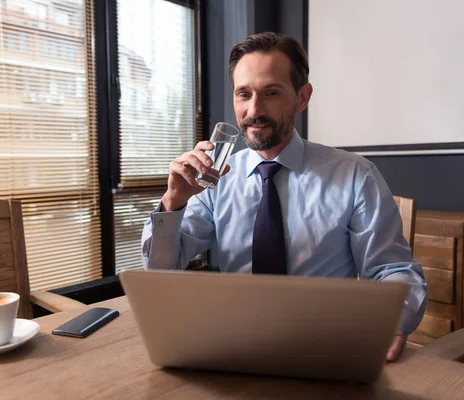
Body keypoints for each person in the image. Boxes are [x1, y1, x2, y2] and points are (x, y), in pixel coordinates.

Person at [140, 32, 427, 362]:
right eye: (243, 94)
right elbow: (160, 269)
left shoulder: (354, 176)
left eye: (271, 93)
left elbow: (392, 270)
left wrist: (390, 322)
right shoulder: (216, 179)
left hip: (326, 347)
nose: (254, 110)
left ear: (302, 98)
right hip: (236, 345)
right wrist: (173, 201)